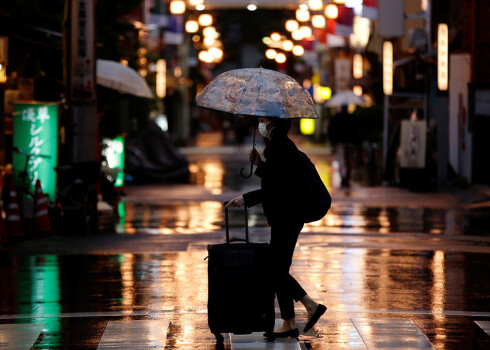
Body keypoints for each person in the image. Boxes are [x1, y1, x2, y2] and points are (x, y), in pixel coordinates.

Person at [226, 117, 327, 338]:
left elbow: (278, 189)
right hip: (287, 214)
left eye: (264, 120)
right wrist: (261, 165)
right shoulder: (278, 147)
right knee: (278, 268)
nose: (260, 124)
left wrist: (246, 198)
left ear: (273, 124)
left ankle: (310, 305)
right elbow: (277, 178)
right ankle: (289, 322)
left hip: (288, 215)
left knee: (273, 268)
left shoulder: (281, 148)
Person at [327, 104, 359, 188]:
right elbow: (356, 130)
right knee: (349, 160)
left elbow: (331, 129)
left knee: (342, 160)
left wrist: (332, 141)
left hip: (339, 142)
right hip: (350, 142)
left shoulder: (336, 117)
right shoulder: (352, 117)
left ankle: (344, 177)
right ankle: (347, 177)